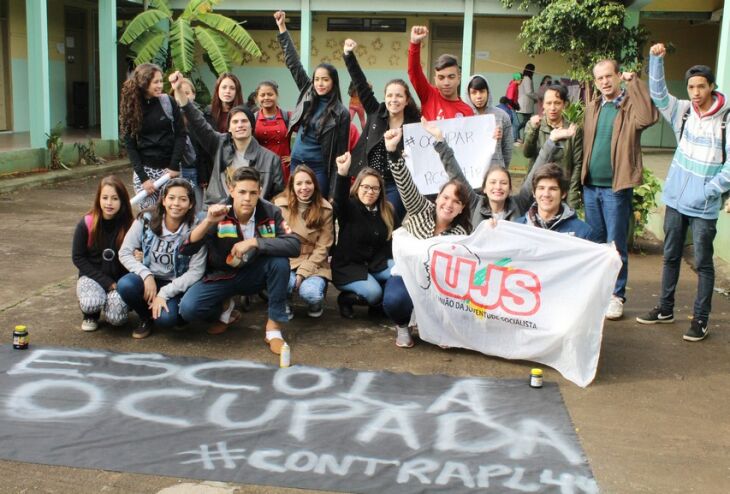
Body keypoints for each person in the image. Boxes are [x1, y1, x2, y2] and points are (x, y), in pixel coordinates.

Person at [636, 43, 730, 342]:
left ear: (712, 87)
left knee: (703, 263)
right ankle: (665, 308)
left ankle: (700, 319)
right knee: (670, 255)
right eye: (691, 87)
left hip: (703, 206)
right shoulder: (683, 112)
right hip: (676, 200)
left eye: (701, 86)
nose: (696, 92)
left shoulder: (726, 120)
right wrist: (655, 60)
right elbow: (659, 93)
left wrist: (708, 192)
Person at [178, 167, 300, 354]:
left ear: (260, 191)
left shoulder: (271, 212)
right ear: (231, 190)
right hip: (221, 276)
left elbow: (294, 245)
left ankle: (273, 329)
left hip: (255, 276)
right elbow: (186, 248)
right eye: (242, 192)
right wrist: (208, 222)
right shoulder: (217, 213)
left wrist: (254, 242)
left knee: (279, 262)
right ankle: (225, 310)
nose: (247, 198)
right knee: (188, 309)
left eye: (253, 193)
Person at [582, 60, 659, 320]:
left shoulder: (629, 108)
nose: (604, 82)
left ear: (617, 76)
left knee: (615, 245)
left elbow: (649, 117)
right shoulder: (593, 107)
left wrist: (633, 83)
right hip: (591, 188)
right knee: (595, 244)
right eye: (599, 78)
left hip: (616, 187)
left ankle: (616, 296)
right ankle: (597, 293)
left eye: (609, 76)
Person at [382, 128, 472, 348]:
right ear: (437, 197)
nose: (449, 204)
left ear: (461, 209)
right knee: (394, 300)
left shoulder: (462, 235)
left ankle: (440, 328)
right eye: (446, 197)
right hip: (405, 275)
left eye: (456, 202)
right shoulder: (420, 209)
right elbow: (405, 185)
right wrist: (393, 152)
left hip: (438, 286)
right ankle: (403, 326)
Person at [424, 118, 577, 226]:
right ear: (484, 188)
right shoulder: (474, 203)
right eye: (492, 182)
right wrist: (440, 141)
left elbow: (535, 172)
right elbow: (455, 173)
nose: (498, 187)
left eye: (503, 183)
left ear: (510, 188)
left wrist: (551, 141)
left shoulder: (519, 203)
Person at [169, 71, 284, 207]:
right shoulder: (219, 144)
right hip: (219, 210)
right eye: (235, 122)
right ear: (228, 128)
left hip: (253, 213)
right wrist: (178, 89)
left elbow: (277, 195)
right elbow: (197, 120)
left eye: (244, 121)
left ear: (252, 126)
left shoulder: (271, 159)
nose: (240, 125)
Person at [343, 38, 421, 222]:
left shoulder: (414, 124)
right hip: (369, 179)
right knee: (361, 221)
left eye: (399, 96)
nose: (394, 100)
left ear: (407, 99)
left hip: (397, 184)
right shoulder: (375, 111)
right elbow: (360, 83)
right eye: (390, 95)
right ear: (384, 97)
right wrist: (348, 55)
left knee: (388, 220)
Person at [117, 178, 206, 339]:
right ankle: (145, 317)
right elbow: (125, 252)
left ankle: (168, 313)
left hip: (175, 283)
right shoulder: (146, 219)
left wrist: (164, 293)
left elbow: (196, 271)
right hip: (148, 279)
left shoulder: (197, 228)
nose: (176, 203)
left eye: (183, 199)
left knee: (166, 320)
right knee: (125, 285)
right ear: (163, 200)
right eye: (171, 198)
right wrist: (146, 274)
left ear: (191, 204)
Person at [275, 10, 350, 199]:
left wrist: (336, 189)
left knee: (318, 209)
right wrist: (282, 28)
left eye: (325, 80)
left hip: (319, 167)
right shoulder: (307, 92)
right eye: (317, 79)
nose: (320, 84)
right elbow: (294, 64)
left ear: (333, 82)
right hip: (297, 162)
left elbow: (340, 153)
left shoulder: (341, 113)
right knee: (294, 207)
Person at [331, 152, 396, 318]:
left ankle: (380, 305)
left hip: (376, 263)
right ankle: (346, 299)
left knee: (400, 271)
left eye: (375, 188)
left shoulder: (387, 210)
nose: (370, 191)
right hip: (350, 267)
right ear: (358, 187)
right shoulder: (350, 207)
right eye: (365, 187)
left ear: (380, 191)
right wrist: (342, 173)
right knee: (374, 293)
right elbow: (339, 199)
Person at [72, 176, 134, 331]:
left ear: (123, 201)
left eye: (114, 198)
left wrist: (137, 256)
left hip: (119, 280)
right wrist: (106, 282)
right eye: (105, 197)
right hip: (93, 276)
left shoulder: (131, 225)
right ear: (98, 199)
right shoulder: (87, 223)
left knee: (117, 319)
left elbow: (136, 256)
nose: (109, 203)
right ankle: (90, 314)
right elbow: (78, 257)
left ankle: (111, 305)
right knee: (91, 302)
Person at [119, 63, 184, 209]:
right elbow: (130, 146)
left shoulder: (168, 102)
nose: (160, 85)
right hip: (146, 171)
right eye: (156, 82)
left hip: (169, 170)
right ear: (144, 83)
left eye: (161, 81)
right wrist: (143, 178)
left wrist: (174, 166)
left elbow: (181, 135)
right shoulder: (131, 107)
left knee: (171, 212)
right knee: (149, 216)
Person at [273, 165, 334, 319]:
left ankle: (316, 302)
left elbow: (323, 246)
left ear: (315, 185)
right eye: (299, 183)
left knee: (310, 293)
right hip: (287, 259)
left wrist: (303, 271)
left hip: (314, 260)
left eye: (308, 183)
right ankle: (284, 301)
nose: (304, 187)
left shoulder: (325, 209)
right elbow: (274, 240)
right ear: (292, 186)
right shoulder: (279, 206)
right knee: (283, 282)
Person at [523, 83, 583, 209]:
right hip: (538, 187)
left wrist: (572, 197)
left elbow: (577, 164)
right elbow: (527, 153)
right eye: (548, 103)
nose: (553, 107)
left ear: (564, 104)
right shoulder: (534, 125)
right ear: (543, 104)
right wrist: (533, 129)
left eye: (557, 103)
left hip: (562, 190)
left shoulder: (572, 130)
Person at [407, 26, 474, 120]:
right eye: (441, 77)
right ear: (435, 79)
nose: (446, 83)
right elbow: (414, 72)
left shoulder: (467, 111)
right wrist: (414, 43)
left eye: (451, 77)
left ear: (459, 78)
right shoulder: (429, 95)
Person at [517, 163, 596, 241]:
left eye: (553, 189)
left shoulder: (582, 232)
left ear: (563, 194)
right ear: (534, 193)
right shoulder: (517, 227)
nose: (546, 194)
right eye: (541, 188)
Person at [168, 76, 205, 208]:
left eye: (187, 93)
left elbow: (204, 148)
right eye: (179, 93)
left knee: (197, 208)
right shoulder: (169, 117)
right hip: (175, 170)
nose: (183, 96)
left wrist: (203, 175)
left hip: (194, 169)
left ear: (194, 95)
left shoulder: (201, 118)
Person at [464, 74, 513, 167]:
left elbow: (508, 148)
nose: (478, 96)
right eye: (474, 92)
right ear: (468, 94)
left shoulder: (502, 116)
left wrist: (502, 168)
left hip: (495, 173)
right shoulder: (463, 117)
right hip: (471, 173)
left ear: (488, 92)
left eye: (482, 91)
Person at [254, 81, 292, 183]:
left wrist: (295, 156)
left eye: (270, 94)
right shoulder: (253, 119)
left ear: (276, 95)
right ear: (257, 98)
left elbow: (305, 134)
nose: (266, 97)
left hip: (284, 167)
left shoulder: (288, 116)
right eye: (262, 95)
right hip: (262, 167)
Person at [516, 63, 537, 142]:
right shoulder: (527, 78)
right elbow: (529, 92)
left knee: (526, 123)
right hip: (525, 104)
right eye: (533, 70)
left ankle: (523, 140)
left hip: (524, 103)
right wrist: (536, 97)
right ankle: (516, 132)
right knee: (526, 123)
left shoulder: (523, 78)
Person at [504, 74, 522, 142]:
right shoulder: (512, 86)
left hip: (512, 106)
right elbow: (510, 99)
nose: (521, 81)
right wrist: (515, 106)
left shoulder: (515, 85)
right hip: (510, 107)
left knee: (515, 124)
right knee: (516, 124)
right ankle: (514, 140)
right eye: (521, 80)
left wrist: (517, 105)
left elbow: (514, 98)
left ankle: (516, 138)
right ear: (517, 79)